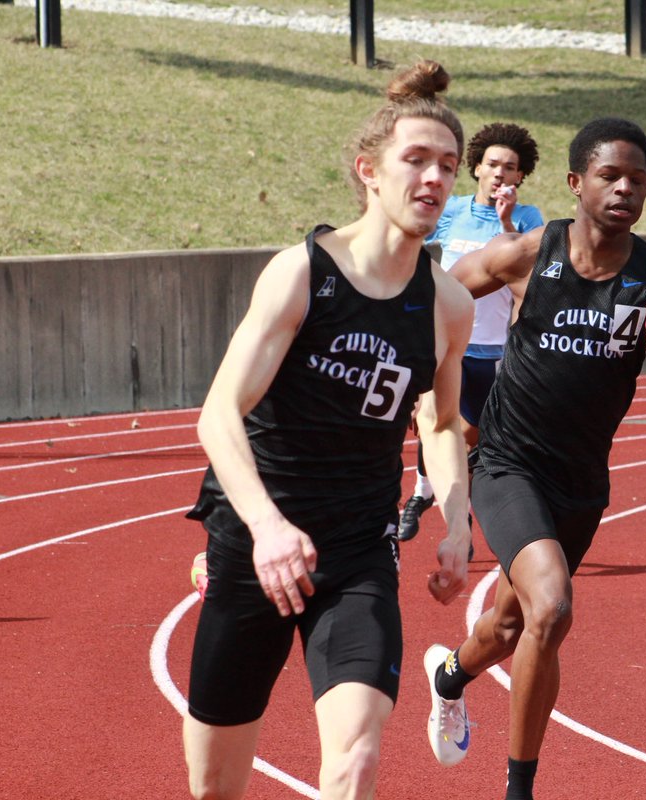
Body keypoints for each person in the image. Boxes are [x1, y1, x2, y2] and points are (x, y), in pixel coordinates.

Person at [180, 60, 474, 800]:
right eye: (416, 159)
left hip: (356, 553)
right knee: (215, 788)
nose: (434, 178)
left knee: (356, 761)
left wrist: (457, 522)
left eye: (448, 165)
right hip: (256, 546)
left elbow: (440, 420)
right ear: (369, 171)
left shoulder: (447, 304)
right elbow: (219, 412)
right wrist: (267, 528)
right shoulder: (302, 274)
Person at [420, 117, 646, 799]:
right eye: (610, 175)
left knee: (510, 624)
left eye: (637, 180)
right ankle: (520, 791)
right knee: (551, 608)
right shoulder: (527, 254)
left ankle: (450, 676)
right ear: (576, 182)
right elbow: (434, 301)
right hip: (507, 464)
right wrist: (434, 391)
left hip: (580, 484)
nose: (624, 189)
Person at [397, 122, 544, 544]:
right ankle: (428, 496)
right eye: (492, 164)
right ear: (476, 167)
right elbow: (412, 245)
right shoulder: (451, 211)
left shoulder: (529, 218)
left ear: (520, 175)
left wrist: (506, 220)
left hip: (493, 350)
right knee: (432, 423)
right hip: (447, 343)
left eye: (510, 167)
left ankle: (439, 497)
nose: (500, 173)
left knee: (470, 438)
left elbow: (527, 271)